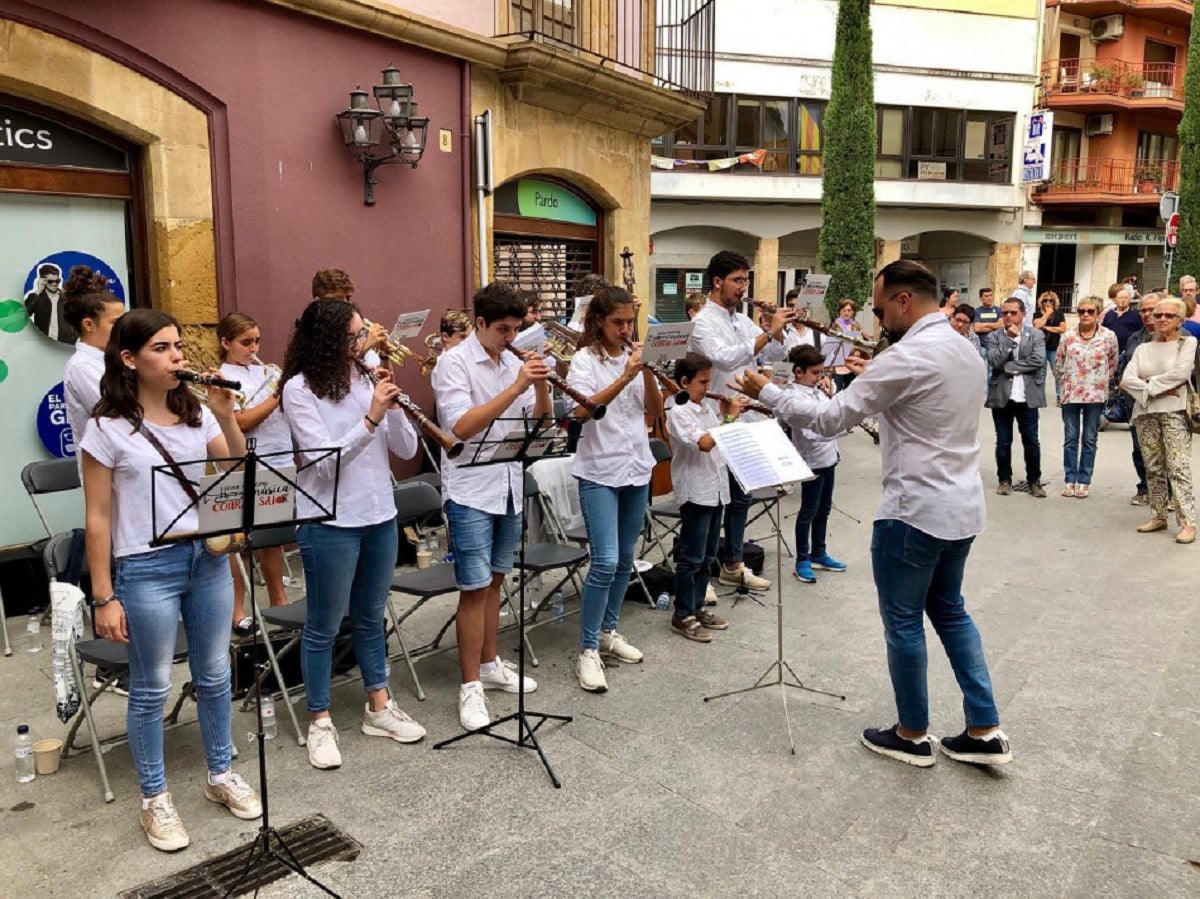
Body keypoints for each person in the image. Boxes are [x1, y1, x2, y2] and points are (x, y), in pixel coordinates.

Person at [735, 259, 1011, 768]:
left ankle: (911, 733)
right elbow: (921, 409)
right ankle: (985, 727)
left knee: (904, 622)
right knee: (951, 611)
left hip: (913, 509)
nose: (880, 320)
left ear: (905, 300)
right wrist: (876, 381)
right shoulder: (963, 349)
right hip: (962, 504)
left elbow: (828, 418)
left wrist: (768, 392)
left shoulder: (906, 356)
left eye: (883, 308)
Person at [80, 308, 262, 851]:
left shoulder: (197, 412)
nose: (178, 356)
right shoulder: (105, 427)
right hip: (145, 565)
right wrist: (103, 595)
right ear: (129, 360)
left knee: (213, 672)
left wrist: (227, 416)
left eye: (178, 345)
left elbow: (233, 478)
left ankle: (220, 774)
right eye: (161, 348)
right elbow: (97, 516)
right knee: (151, 685)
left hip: (206, 558)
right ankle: (154, 798)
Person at [279, 297, 427, 770]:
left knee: (370, 616)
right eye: (353, 337)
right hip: (330, 520)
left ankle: (378, 706)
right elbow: (322, 464)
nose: (361, 344)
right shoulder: (299, 390)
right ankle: (320, 719)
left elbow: (404, 448)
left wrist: (395, 405)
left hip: (380, 511)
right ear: (326, 341)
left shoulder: (367, 376)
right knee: (323, 625)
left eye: (361, 335)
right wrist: (371, 418)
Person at [432, 281, 549, 729]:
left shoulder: (511, 361)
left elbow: (539, 423)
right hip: (469, 490)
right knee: (474, 587)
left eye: (516, 329)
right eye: (502, 329)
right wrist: (518, 385)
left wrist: (538, 385)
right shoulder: (452, 364)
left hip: (507, 483)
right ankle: (469, 689)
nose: (510, 338)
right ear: (479, 324)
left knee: (497, 580)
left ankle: (489, 662)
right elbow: (461, 426)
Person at [564, 286, 665, 690]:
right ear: (598, 322)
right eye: (617, 323)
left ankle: (608, 632)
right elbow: (579, 411)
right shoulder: (584, 360)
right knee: (604, 561)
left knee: (626, 559)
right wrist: (626, 376)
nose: (625, 330)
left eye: (629, 322)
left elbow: (656, 413)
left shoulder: (634, 358)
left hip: (636, 467)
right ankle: (587, 649)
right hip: (598, 471)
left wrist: (650, 372)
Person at [688, 250, 793, 592]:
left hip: (744, 418)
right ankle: (701, 573)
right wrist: (764, 334)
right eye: (737, 280)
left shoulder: (740, 319)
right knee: (714, 503)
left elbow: (775, 356)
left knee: (740, 498)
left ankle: (733, 564)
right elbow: (723, 358)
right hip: (717, 417)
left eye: (745, 280)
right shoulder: (703, 321)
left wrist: (774, 328)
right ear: (717, 282)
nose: (743, 287)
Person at [217, 312, 291, 634]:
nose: (253, 348)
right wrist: (277, 396)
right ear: (226, 343)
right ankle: (237, 610)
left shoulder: (266, 371)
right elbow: (241, 422)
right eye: (246, 342)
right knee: (241, 542)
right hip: (245, 463)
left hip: (279, 457)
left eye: (257, 341)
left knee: (272, 539)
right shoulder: (222, 376)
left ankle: (279, 599)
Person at [665, 353, 741, 642]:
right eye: (702, 382)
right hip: (697, 491)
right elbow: (706, 443)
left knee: (708, 556)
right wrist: (730, 418)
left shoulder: (704, 406)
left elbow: (718, 433)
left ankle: (697, 607)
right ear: (684, 382)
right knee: (692, 557)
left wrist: (725, 416)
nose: (708, 387)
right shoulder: (678, 410)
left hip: (716, 488)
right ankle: (682, 613)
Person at [1120, 297, 1197, 545]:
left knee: (1178, 467)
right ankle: (1158, 515)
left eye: (1169, 316)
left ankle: (1187, 523)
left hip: (1174, 411)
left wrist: (1146, 385)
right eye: (1158, 314)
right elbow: (1126, 379)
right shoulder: (1143, 348)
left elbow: (1181, 373)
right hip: (1144, 412)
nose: (1162, 319)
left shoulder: (1187, 343)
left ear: (1179, 321)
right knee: (1152, 466)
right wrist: (1159, 388)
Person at [779, 345, 846, 584]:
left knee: (824, 509)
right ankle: (802, 560)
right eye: (815, 373)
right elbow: (811, 433)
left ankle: (819, 552)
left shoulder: (816, 391)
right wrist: (840, 429)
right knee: (808, 511)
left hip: (829, 458)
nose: (820, 377)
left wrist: (831, 394)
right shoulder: (794, 398)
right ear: (798, 372)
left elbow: (830, 412)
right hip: (812, 461)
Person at [63, 266, 126, 470]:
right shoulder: (81, 366)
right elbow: (118, 414)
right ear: (88, 325)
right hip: (107, 470)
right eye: (115, 323)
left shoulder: (116, 358)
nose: (123, 330)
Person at [1054, 297, 1118, 498]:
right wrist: (1067, 382)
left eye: (1090, 311)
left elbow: (1113, 363)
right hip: (1071, 393)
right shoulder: (1068, 336)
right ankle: (1069, 478)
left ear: (1098, 313)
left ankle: (1084, 479)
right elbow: (1059, 363)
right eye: (1081, 311)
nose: (1085, 315)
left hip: (1096, 394)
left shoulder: (1108, 336)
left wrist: (1099, 381)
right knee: (1070, 438)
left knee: (1090, 438)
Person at [986, 298, 1047, 498]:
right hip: (1002, 395)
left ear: (1022, 314)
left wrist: (1010, 367)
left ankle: (1034, 481)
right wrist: (1009, 341)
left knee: (1031, 441)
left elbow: (1038, 360)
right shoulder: (994, 336)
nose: (1008, 316)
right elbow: (995, 361)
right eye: (1005, 313)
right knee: (1003, 441)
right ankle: (1004, 480)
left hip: (1027, 396)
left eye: (1013, 312)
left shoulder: (1035, 335)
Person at [1124, 293, 1160, 505]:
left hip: (1166, 404)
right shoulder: (1135, 338)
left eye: (1152, 310)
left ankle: (1168, 493)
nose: (1148, 314)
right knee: (1140, 449)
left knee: (1164, 451)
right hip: (1136, 403)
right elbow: (1126, 367)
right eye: (1143, 310)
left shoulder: (1180, 337)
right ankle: (1144, 487)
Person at [311, 267, 387, 365]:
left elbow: (382, 376)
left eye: (348, 298)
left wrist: (384, 354)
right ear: (318, 303)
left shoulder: (355, 327)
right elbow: (330, 370)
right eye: (338, 300)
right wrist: (366, 346)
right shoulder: (309, 334)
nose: (346, 305)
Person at [24, 262, 76, 345]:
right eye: (50, 281)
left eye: (57, 281)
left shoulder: (66, 299)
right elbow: (23, 316)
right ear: (43, 281)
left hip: (64, 345)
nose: (54, 284)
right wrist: (38, 291)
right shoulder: (36, 298)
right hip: (41, 344)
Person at [1033, 291, 1067, 401]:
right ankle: (1040, 396)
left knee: (1057, 372)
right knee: (1041, 373)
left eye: (1050, 301)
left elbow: (1062, 329)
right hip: (1040, 346)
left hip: (1054, 347)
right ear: (1041, 302)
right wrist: (1047, 314)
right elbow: (1037, 325)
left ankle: (1059, 396)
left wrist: (1046, 328)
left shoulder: (1059, 314)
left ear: (1054, 302)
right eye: (1045, 301)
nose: (1048, 303)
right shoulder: (1037, 314)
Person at [1103, 284, 1141, 355]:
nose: (1123, 300)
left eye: (1126, 298)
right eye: (1120, 298)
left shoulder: (1136, 315)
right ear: (1115, 300)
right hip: (1111, 351)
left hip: (1128, 352)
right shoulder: (1109, 314)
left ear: (1130, 299)